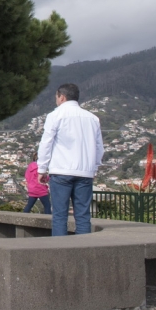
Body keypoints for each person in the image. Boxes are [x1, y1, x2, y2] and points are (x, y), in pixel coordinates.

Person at [37, 83, 103, 236]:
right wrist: (94, 167)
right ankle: (84, 251)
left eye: (56, 97)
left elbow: (46, 143)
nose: (56, 100)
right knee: (83, 216)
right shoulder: (92, 118)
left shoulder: (55, 116)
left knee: (60, 215)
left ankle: (60, 253)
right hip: (85, 172)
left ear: (62, 97)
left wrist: (42, 168)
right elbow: (99, 147)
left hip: (61, 170)